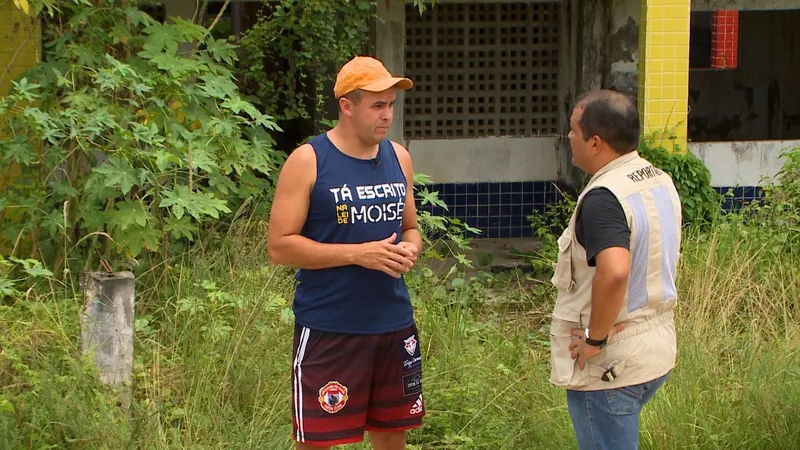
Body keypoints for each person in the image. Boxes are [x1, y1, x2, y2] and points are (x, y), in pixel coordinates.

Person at [267, 56, 425, 450]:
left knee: (391, 436)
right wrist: (357, 254)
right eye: (377, 105)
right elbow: (279, 246)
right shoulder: (309, 160)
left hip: (393, 324)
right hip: (329, 327)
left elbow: (410, 227)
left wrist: (411, 248)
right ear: (347, 106)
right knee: (319, 442)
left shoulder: (399, 157)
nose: (387, 115)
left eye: (390, 104)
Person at [548, 89, 682, 449]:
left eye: (573, 131)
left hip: (611, 363)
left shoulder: (604, 197)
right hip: (654, 348)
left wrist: (595, 338)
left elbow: (615, 271)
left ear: (595, 142)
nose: (569, 138)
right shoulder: (658, 178)